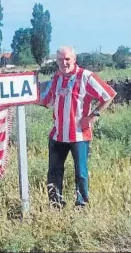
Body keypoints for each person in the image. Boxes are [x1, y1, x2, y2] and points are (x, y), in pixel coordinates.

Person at [38, 46, 117, 208]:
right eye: (60, 59)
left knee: (80, 173)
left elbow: (108, 95)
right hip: (58, 135)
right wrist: (26, 95)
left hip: (80, 135)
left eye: (67, 59)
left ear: (74, 59)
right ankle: (55, 204)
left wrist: (92, 116)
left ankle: (81, 205)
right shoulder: (56, 77)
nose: (64, 63)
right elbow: (46, 100)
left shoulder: (86, 77)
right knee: (54, 172)